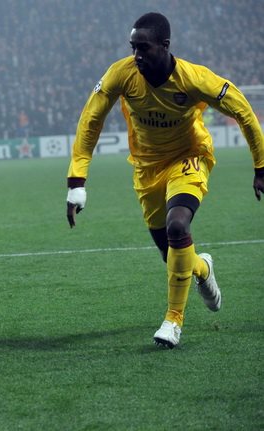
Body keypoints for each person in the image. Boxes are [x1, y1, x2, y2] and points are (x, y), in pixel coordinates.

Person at [65, 12, 264, 348]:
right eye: (132, 47)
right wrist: (76, 181)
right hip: (146, 169)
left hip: (189, 157)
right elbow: (91, 120)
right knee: (171, 253)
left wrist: (261, 165)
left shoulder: (193, 79)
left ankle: (173, 320)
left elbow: (243, 110)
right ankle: (202, 268)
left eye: (143, 47)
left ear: (165, 45)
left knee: (177, 226)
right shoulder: (121, 74)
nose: (136, 55)